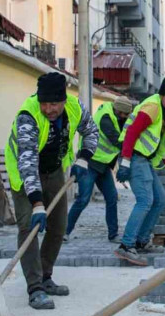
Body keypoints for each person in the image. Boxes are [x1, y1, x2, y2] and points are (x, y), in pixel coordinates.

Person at [4, 72, 98, 310]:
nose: (48, 109)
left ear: (64, 100)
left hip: (54, 170)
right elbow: (27, 163)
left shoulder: (76, 108)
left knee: (58, 226)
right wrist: (36, 203)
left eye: (54, 104)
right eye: (44, 103)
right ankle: (34, 288)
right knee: (29, 227)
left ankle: (45, 277)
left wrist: (83, 159)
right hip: (25, 175)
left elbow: (91, 132)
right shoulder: (28, 115)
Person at [112, 74, 165, 266]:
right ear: (162, 96)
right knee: (145, 201)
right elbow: (132, 132)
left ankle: (142, 241)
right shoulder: (152, 107)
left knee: (160, 199)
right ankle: (126, 246)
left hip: (144, 160)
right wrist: (125, 162)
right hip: (134, 157)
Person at [65, 96, 134, 242]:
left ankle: (113, 234)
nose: (126, 117)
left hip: (103, 165)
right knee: (83, 199)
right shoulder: (106, 119)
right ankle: (65, 232)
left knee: (112, 198)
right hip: (89, 163)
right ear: (118, 110)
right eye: (124, 114)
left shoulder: (115, 115)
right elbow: (117, 141)